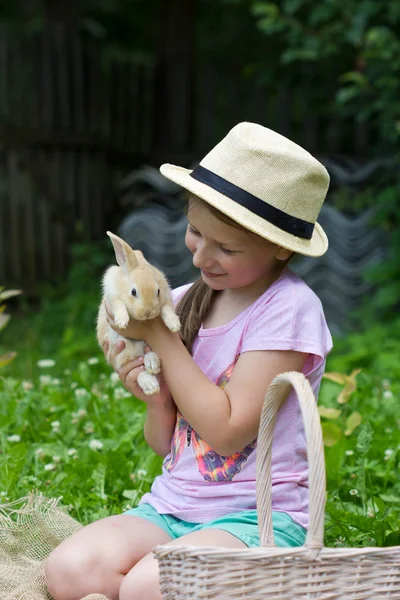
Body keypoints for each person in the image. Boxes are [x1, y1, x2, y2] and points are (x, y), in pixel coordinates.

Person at [45, 122, 333, 600]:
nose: (202, 257)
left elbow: (226, 431)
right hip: (174, 507)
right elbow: (166, 446)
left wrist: (160, 336)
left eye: (226, 248)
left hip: (258, 518)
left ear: (280, 246)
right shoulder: (182, 301)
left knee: (146, 587)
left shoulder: (288, 310)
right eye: (195, 232)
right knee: (69, 571)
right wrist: (155, 402)